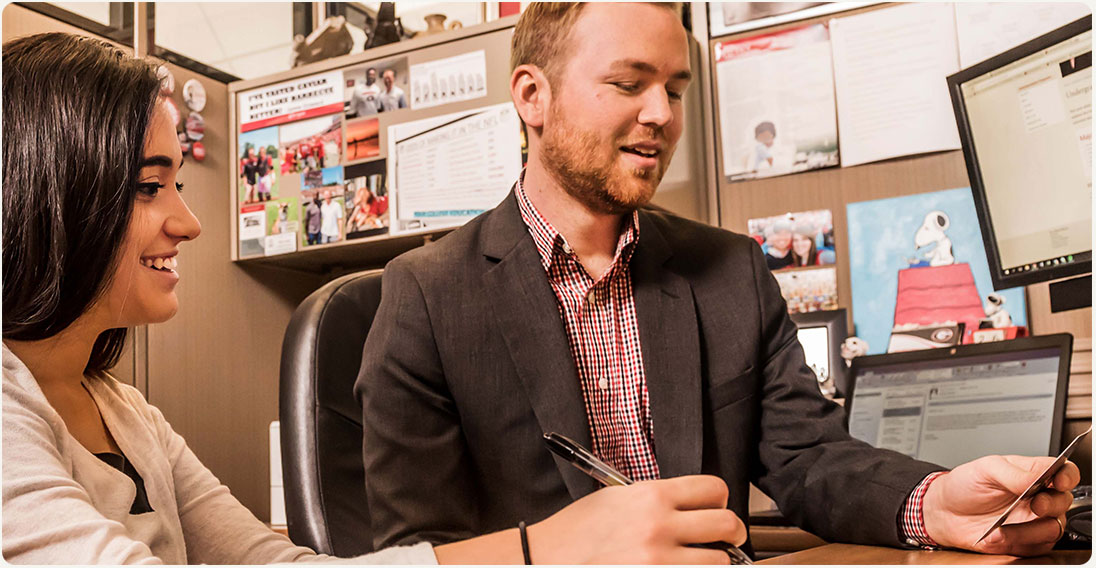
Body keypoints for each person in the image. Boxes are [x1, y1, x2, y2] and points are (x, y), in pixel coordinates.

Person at [357, 2, 1079, 560]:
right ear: (531, 96)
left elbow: (809, 459)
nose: (661, 115)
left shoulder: (730, 270)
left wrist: (936, 502)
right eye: (628, 83)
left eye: (674, 88)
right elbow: (417, 556)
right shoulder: (425, 295)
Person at [2, 31, 746, 565]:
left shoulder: (131, 417)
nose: (189, 222)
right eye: (147, 186)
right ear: (52, 194)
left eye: (180, 184)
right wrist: (544, 551)